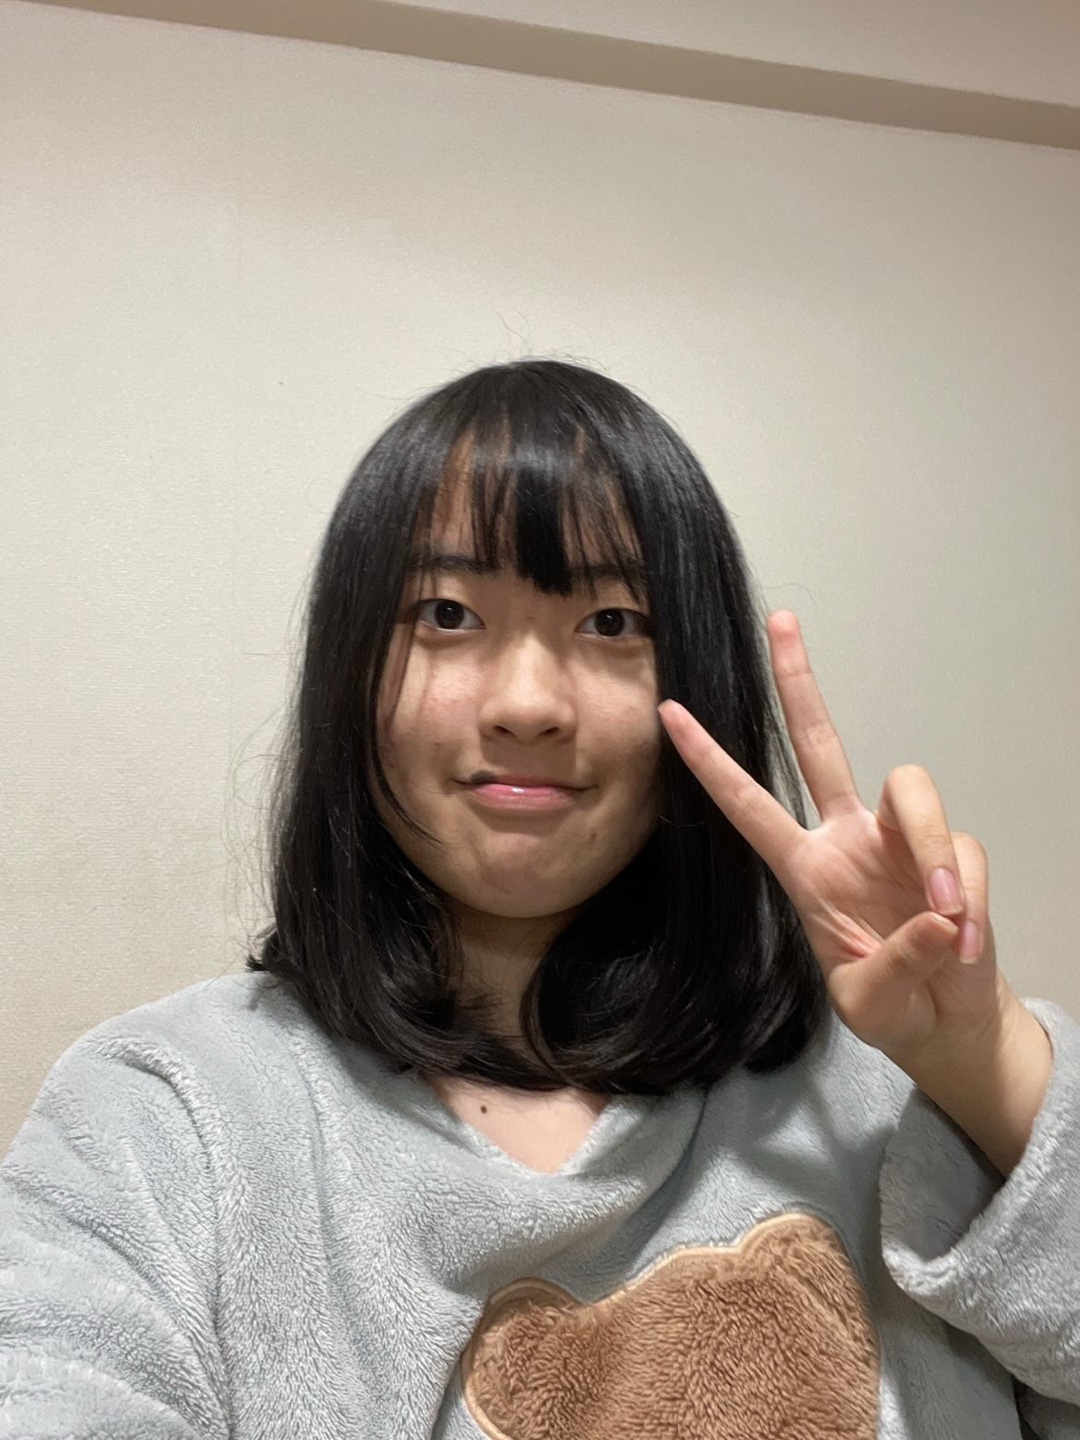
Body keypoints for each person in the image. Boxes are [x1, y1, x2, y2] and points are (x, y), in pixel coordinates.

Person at [1, 359, 1076, 1439]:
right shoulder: (164, 1119)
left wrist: (983, 1060)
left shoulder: (896, 1099)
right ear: (348, 673)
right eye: (447, 612)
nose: (526, 703)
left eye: (611, 621)